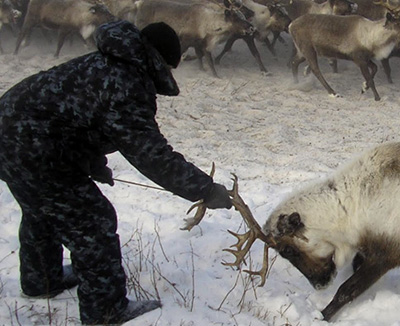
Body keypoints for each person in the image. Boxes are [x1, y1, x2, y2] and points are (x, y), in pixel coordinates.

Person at [0, 20, 232, 324]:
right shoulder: (127, 82)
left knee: (41, 209)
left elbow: (76, 118)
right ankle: (105, 310)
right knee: (92, 222)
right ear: (160, 61)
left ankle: (42, 280)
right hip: (34, 151)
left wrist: (93, 164)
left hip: (11, 139)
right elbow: (151, 155)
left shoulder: (106, 63)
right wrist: (205, 189)